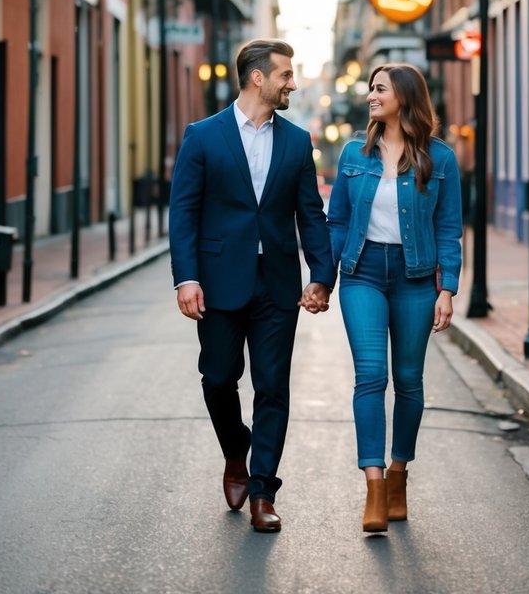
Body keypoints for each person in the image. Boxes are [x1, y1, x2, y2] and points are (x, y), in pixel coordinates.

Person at [169, 38, 334, 533]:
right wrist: (187, 277)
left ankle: (263, 489)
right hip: (219, 281)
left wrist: (322, 275)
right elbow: (184, 212)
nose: (293, 83)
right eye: (285, 74)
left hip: (277, 282)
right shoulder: (203, 136)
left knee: (272, 387)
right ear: (258, 77)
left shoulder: (296, 140)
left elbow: (311, 214)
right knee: (218, 378)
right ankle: (236, 450)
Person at [326, 63, 463, 533]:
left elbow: (448, 229)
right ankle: (375, 488)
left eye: (379, 88)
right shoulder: (353, 154)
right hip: (362, 274)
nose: (370, 95)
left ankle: (400, 471)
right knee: (370, 375)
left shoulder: (439, 158)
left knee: (408, 379)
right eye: (370, 89)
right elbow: (337, 221)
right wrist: (324, 278)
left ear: (404, 96)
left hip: (416, 278)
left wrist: (447, 289)